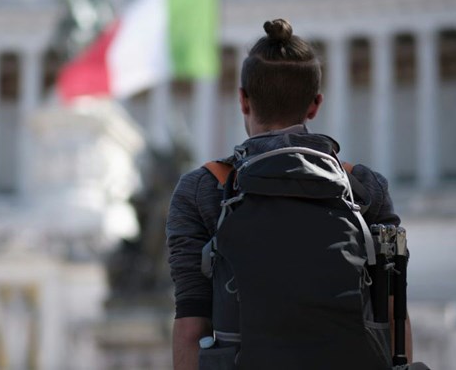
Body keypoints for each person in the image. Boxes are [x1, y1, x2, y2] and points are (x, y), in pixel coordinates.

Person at [166, 18, 413, 369]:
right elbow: (394, 317)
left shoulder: (203, 188)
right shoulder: (363, 187)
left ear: (243, 101)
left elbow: (191, 328)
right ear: (315, 105)